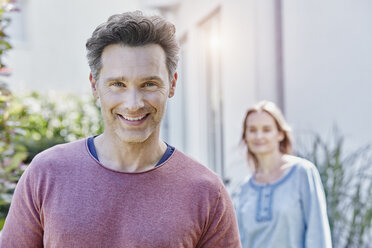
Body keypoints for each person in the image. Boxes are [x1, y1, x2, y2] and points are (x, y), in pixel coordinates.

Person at [0, 11, 241, 247]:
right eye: (118, 84)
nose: (134, 103)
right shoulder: (45, 174)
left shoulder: (207, 192)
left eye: (149, 84)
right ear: (95, 86)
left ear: (172, 84)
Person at [235, 100, 332, 248]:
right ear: (245, 136)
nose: (259, 136)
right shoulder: (244, 189)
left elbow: (317, 233)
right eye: (252, 130)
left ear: (280, 134)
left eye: (266, 129)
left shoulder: (302, 173)